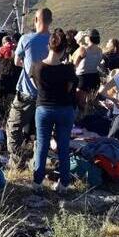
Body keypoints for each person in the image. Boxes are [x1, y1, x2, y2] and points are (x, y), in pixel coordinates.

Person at [31, 29, 78, 193]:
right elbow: (69, 89)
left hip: (43, 108)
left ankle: (37, 182)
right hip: (64, 109)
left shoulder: (36, 67)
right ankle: (64, 184)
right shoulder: (68, 70)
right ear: (64, 50)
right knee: (64, 146)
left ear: (48, 46)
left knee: (42, 145)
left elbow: (38, 87)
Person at [6, 8, 52, 169]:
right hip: (48, 96)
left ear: (36, 20)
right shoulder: (55, 41)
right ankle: (38, 161)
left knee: (14, 127)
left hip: (27, 92)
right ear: (50, 21)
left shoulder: (26, 39)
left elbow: (16, 61)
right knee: (41, 130)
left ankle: (17, 161)